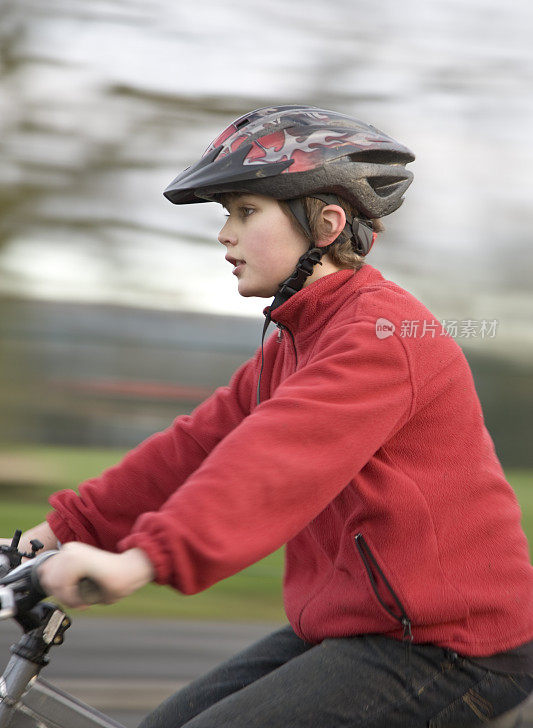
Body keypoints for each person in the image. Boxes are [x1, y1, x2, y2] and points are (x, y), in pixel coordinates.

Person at [7, 106, 533, 727]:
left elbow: (270, 465)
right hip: (361, 626)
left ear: (327, 225)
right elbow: (195, 450)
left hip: (454, 646)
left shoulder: (381, 336)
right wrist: (49, 537)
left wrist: (140, 560)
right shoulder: (293, 344)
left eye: (246, 212)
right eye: (226, 215)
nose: (225, 234)